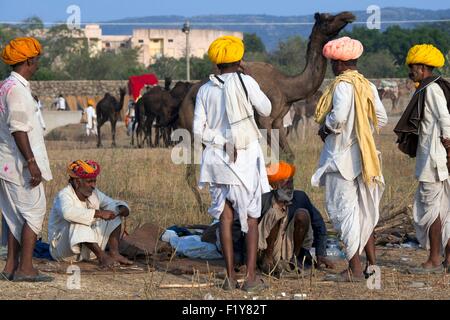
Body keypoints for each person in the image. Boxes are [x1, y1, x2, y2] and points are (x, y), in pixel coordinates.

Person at [193, 36, 272, 292]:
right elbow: (267, 109)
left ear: (217, 64)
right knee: (250, 219)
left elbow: (197, 130)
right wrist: (247, 78)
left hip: (216, 160)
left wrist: (221, 140)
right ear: (239, 61)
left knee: (225, 219)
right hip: (245, 159)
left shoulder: (205, 89)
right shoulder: (246, 81)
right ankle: (250, 278)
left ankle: (229, 277)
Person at [311, 36, 388, 282]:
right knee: (364, 213)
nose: (333, 67)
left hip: (341, 159)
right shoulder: (368, 85)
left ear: (340, 64)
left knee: (342, 213)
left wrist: (326, 127)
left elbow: (340, 116)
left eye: (333, 62)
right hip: (365, 160)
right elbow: (382, 119)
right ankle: (371, 267)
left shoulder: (343, 85)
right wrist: (362, 130)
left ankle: (354, 269)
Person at [220, 161, 335, 277]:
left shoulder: (300, 198)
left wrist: (320, 254)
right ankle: (268, 260)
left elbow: (319, 224)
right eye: (285, 183)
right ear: (274, 186)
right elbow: (239, 226)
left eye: (291, 182)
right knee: (275, 212)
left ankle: (294, 260)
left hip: (289, 249)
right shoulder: (262, 200)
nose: (290, 186)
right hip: (265, 249)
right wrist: (240, 259)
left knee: (303, 214)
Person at [0, 37, 53, 282]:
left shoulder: (6, 86)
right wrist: (32, 162)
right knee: (34, 211)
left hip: (7, 162)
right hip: (19, 164)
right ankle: (26, 268)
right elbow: (18, 129)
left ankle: (11, 266)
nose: (38, 63)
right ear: (29, 60)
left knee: (15, 215)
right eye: (37, 59)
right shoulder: (18, 91)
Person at [394, 44, 450, 274]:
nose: (411, 71)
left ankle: (434, 259)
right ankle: (446, 261)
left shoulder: (432, 89)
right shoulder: (428, 87)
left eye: (413, 67)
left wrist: (448, 146)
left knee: (432, 210)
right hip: (435, 159)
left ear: (424, 67)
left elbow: (445, 118)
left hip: (434, 161)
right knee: (444, 210)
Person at [47, 160, 133, 267]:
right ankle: (102, 257)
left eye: (94, 181)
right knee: (77, 220)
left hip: (87, 252)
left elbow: (111, 203)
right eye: (89, 182)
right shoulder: (64, 195)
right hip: (64, 252)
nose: (93, 186)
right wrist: (98, 213)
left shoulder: (94, 193)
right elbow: (68, 213)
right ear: (77, 182)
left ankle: (114, 253)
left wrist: (121, 209)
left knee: (113, 215)